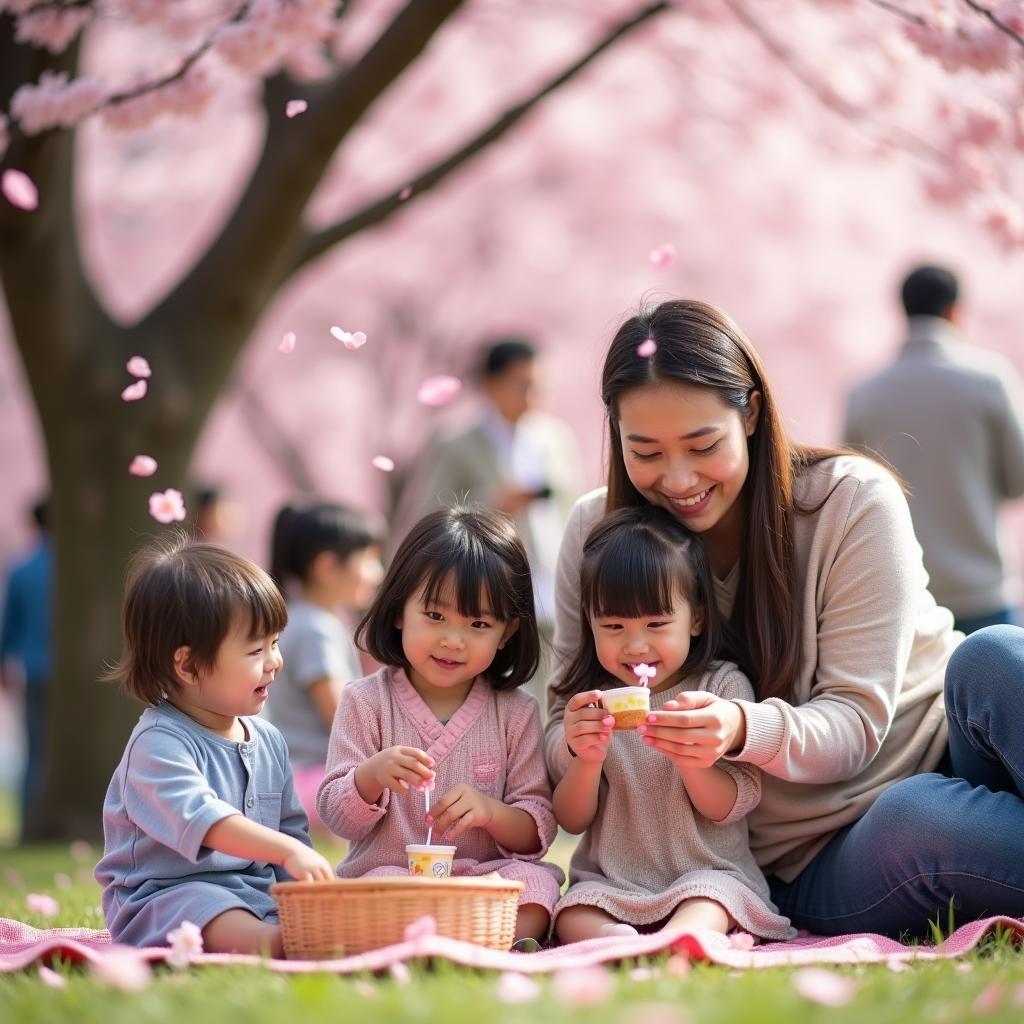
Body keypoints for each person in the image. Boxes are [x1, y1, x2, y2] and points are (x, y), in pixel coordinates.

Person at [547, 297, 1024, 940]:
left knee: (995, 654)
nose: (679, 478)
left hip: (949, 741)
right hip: (823, 850)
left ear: (748, 412)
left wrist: (741, 725)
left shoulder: (849, 501)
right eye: (646, 452)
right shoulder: (596, 533)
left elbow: (855, 722)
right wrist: (581, 741)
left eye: (702, 444)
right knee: (918, 816)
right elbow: (559, 715)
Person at [317, 507, 564, 946]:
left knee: (535, 884)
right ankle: (473, 938)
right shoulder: (365, 701)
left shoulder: (516, 712)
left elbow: (536, 832)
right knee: (374, 888)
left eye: (478, 624)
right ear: (397, 611)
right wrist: (369, 777)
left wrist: (491, 813)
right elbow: (339, 819)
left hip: (482, 879)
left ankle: (438, 936)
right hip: (392, 877)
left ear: (507, 633)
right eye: (435, 616)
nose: (453, 639)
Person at [551, 505, 791, 944]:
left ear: (696, 617)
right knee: (572, 910)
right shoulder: (590, 703)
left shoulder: (721, 687)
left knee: (712, 898)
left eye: (657, 624)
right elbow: (570, 819)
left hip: (705, 872)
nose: (636, 644)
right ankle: (617, 940)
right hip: (614, 883)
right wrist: (585, 760)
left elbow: (728, 806)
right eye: (614, 626)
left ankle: (680, 937)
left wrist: (692, 760)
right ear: (590, 622)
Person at [95, 537, 334, 957]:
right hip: (168, 898)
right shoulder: (158, 744)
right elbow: (205, 820)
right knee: (241, 924)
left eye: (275, 643)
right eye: (256, 649)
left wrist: (308, 894)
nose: (274, 661)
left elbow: (290, 828)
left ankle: (302, 932)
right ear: (187, 664)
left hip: (255, 892)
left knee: (312, 916)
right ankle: (282, 944)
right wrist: (286, 849)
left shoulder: (268, 740)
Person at [844, 265, 1024, 634]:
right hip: (982, 590)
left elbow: (849, 494)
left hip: (902, 596)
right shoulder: (990, 380)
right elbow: (1018, 479)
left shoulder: (864, 394)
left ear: (904, 310)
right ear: (955, 310)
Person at [393, 338, 583, 635]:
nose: (534, 396)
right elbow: (431, 514)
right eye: (523, 386)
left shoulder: (557, 438)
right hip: (488, 574)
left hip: (554, 573)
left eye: (540, 387)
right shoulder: (456, 444)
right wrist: (492, 505)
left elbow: (572, 506)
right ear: (491, 384)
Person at [265, 501, 383, 828]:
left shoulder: (303, 619)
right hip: (309, 780)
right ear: (328, 567)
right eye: (370, 560)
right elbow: (343, 718)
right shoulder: (318, 629)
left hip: (295, 776)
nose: (379, 573)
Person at [0, 498, 52, 837]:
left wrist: (5, 667)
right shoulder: (85, 571)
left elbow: (9, 629)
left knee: (35, 751)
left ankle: (29, 823)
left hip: (36, 672)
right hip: (86, 679)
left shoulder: (22, 569)